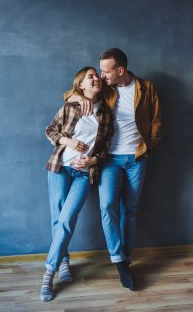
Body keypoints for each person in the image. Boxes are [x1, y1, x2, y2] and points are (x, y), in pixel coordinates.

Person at [65, 48, 161, 291]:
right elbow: (70, 93)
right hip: (108, 159)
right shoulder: (105, 89)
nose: (101, 75)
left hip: (137, 158)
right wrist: (79, 98)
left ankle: (126, 258)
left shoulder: (146, 88)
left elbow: (157, 122)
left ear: (120, 70)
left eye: (106, 71)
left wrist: (147, 147)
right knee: (107, 206)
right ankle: (118, 261)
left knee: (130, 210)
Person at [41, 67, 113, 301]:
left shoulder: (105, 114)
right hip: (60, 169)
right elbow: (50, 130)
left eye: (96, 75)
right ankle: (62, 264)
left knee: (67, 219)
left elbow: (105, 149)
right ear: (81, 85)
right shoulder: (71, 106)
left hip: (84, 174)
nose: (96, 79)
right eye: (89, 76)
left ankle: (48, 272)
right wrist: (68, 141)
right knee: (57, 218)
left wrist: (94, 159)